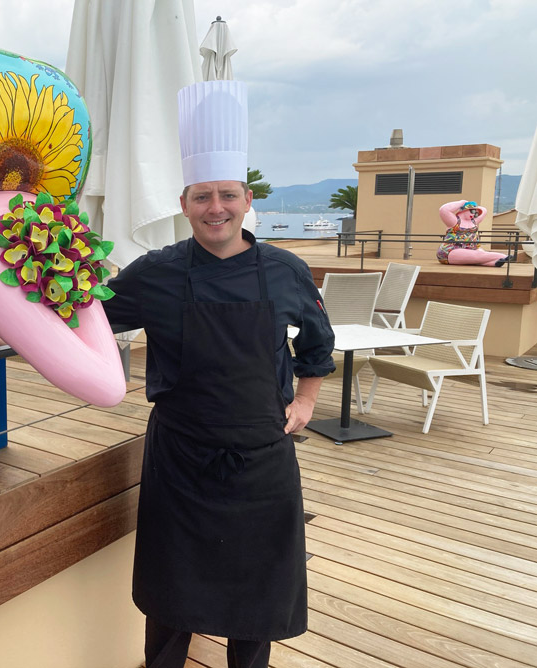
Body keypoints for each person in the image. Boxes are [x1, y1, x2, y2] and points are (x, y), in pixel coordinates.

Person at [102, 80, 336, 668]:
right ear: (184, 203)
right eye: (202, 196)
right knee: (171, 592)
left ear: (247, 199)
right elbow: (87, 312)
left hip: (261, 454)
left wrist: (305, 402)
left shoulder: (285, 271)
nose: (216, 208)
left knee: (258, 590)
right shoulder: (154, 272)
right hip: (181, 456)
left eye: (227, 195)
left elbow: (317, 342)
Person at [436, 199, 512, 266]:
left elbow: (484, 210)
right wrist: (462, 202)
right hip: (451, 251)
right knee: (478, 255)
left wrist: (473, 207)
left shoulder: (474, 221)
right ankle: (501, 256)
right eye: (472, 211)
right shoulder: (454, 221)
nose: (474, 214)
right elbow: (444, 210)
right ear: (464, 210)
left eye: (476, 213)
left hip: (472, 249)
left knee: (479, 254)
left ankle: (494, 262)